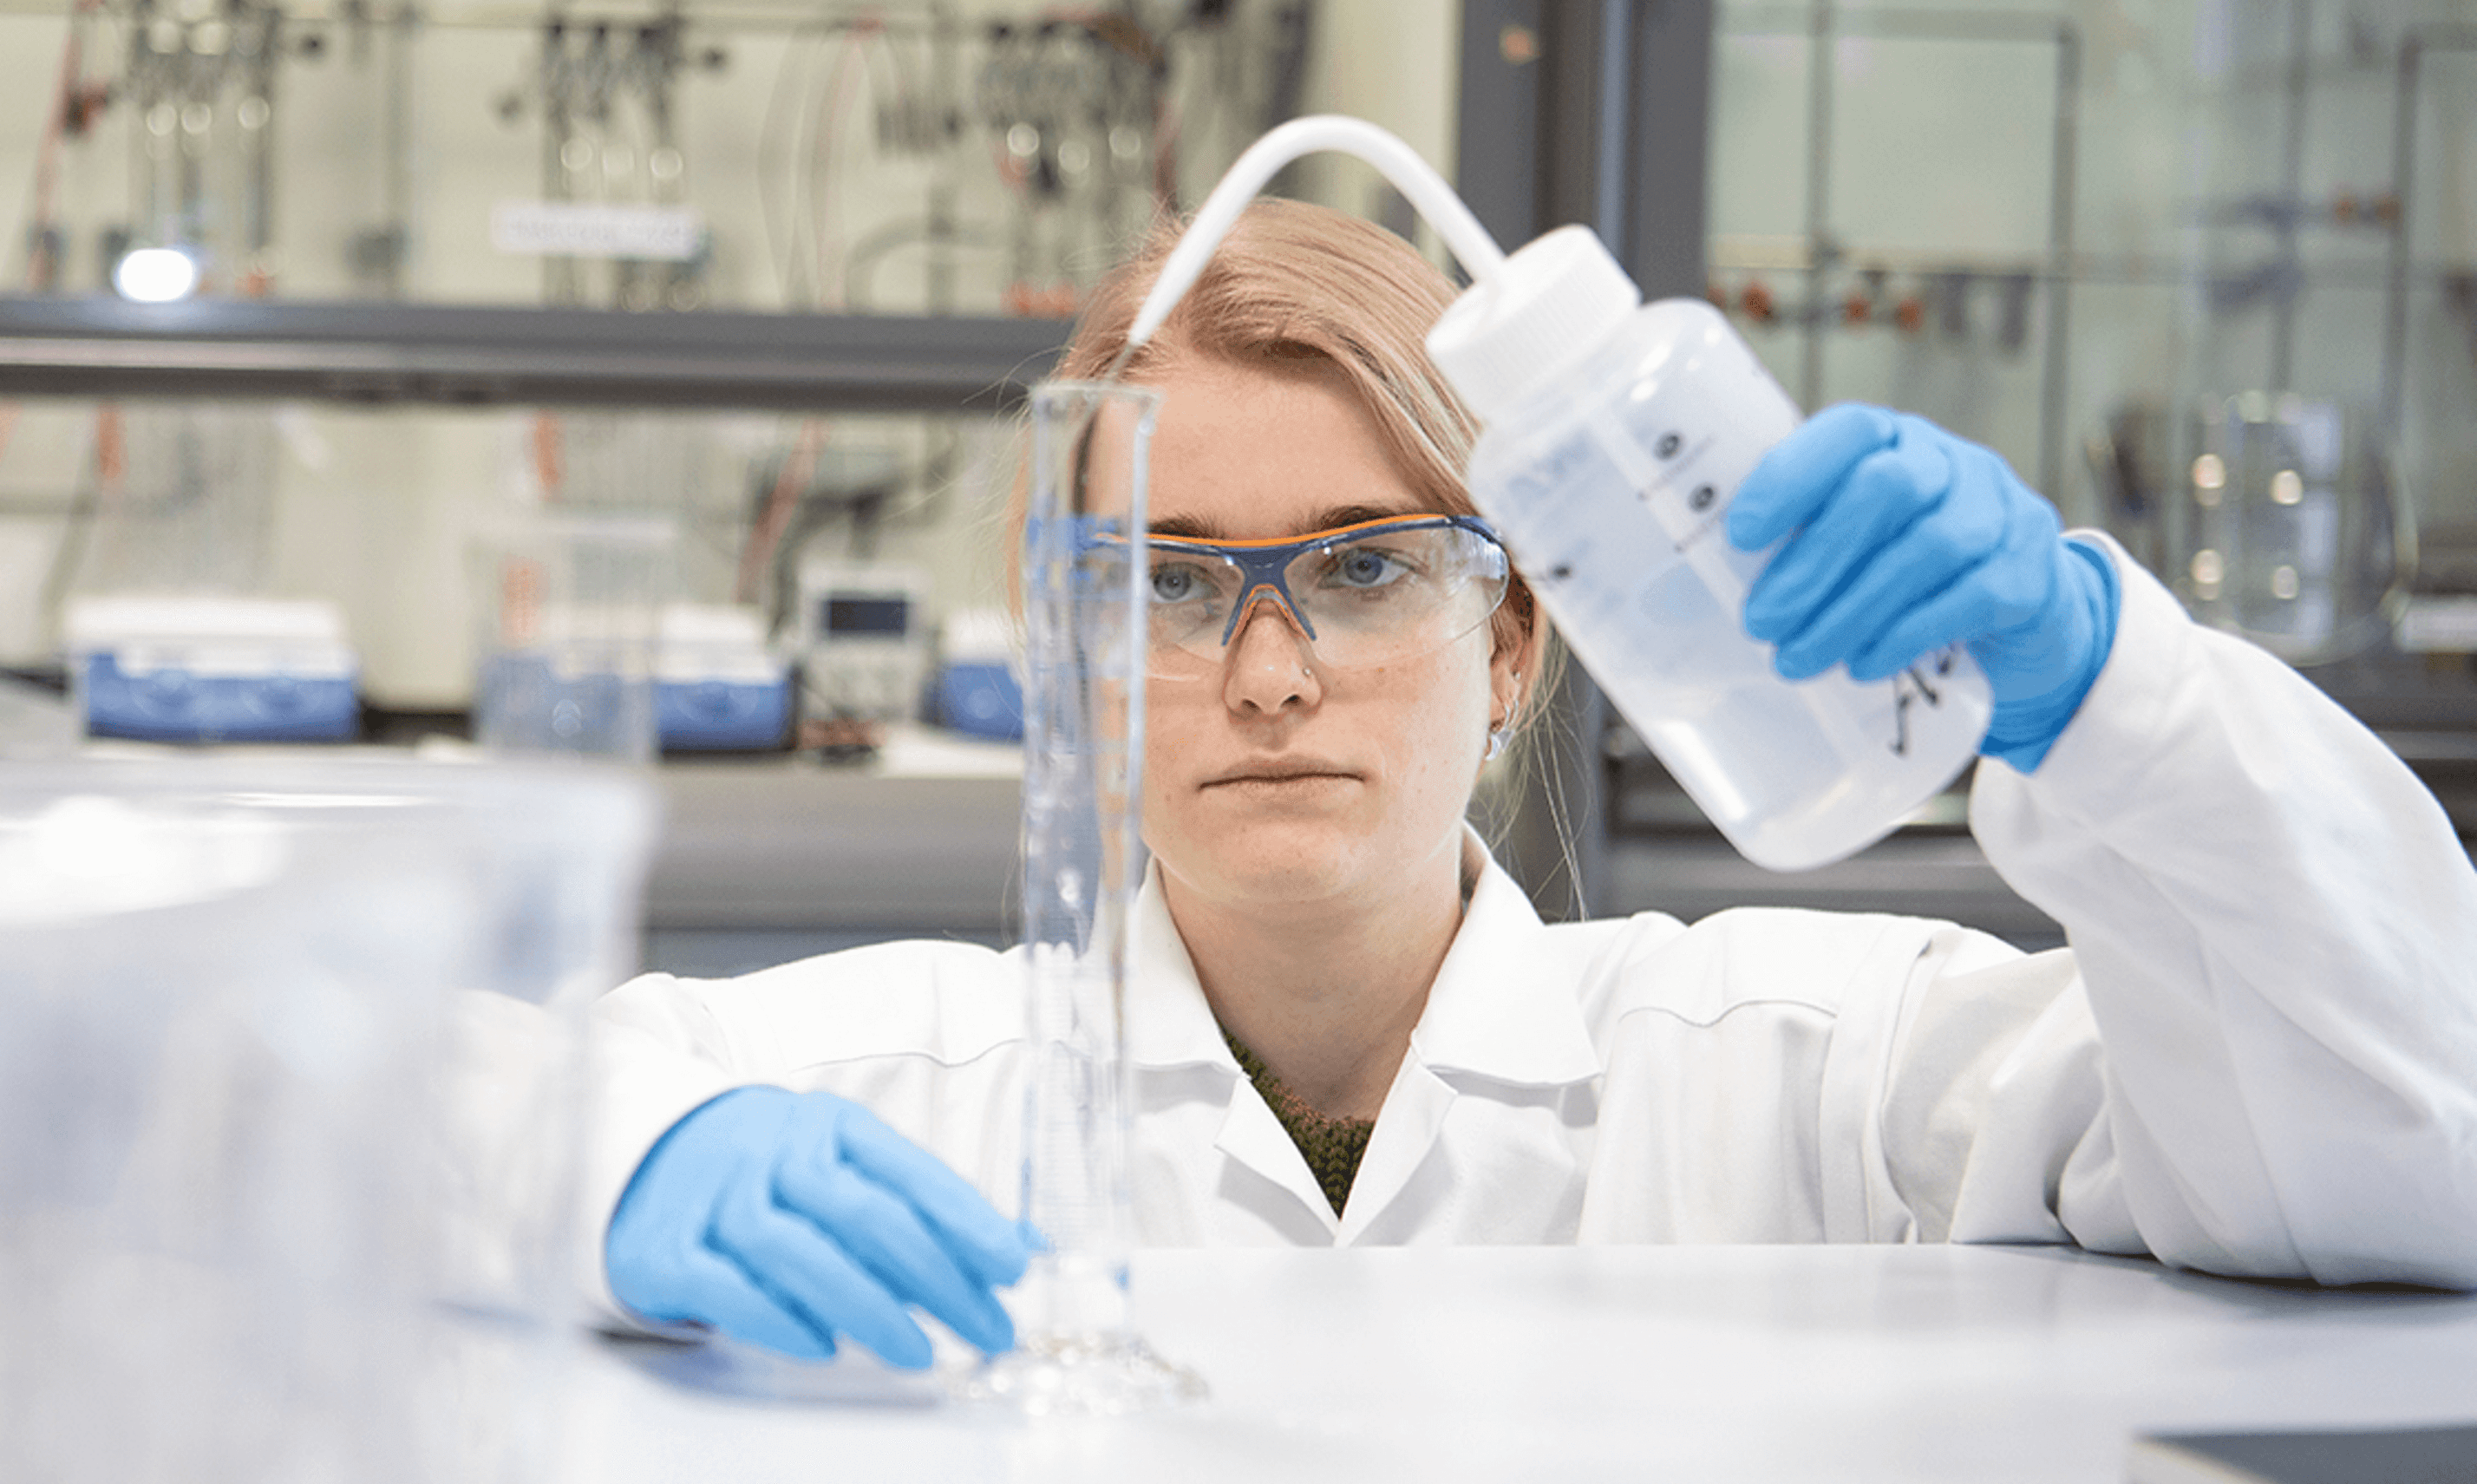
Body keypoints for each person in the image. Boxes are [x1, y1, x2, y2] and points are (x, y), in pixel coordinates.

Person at [583, 199, 2477, 1371]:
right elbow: (363, 1106)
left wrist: (2114, 692)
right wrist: (594, 1169)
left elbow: (2406, 1166)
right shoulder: (899, 1088)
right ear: (1070, 654)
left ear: (1514, 644)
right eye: (1168, 580)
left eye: (1362, 561)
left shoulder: (1803, 1069)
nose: (1266, 668)